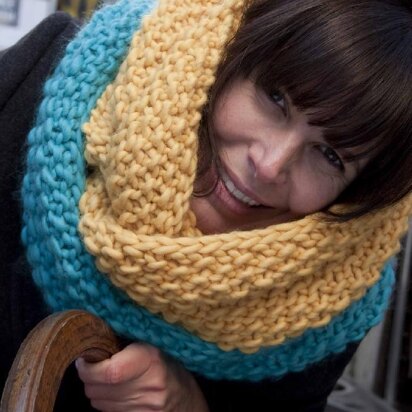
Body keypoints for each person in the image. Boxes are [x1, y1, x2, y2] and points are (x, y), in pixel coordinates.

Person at [1, 0, 411, 411]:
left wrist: (188, 405)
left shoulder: (330, 298)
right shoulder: (39, 71)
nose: (269, 165)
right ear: (232, 56)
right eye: (276, 99)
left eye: (331, 156)